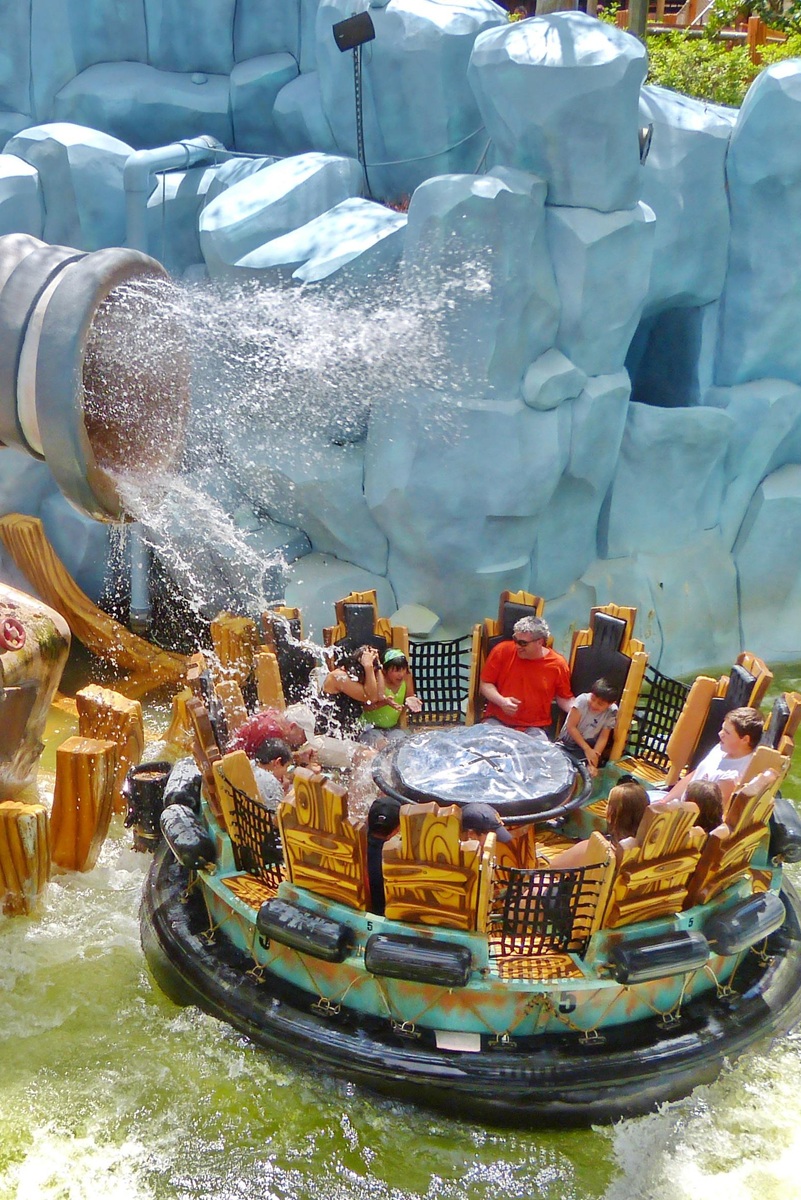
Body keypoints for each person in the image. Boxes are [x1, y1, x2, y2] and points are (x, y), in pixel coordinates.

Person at [479, 615, 574, 734]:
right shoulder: (502, 651)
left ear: (539, 642)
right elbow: (485, 684)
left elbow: (563, 697)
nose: (517, 646)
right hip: (497, 720)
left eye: (523, 643)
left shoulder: (558, 664)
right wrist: (501, 701)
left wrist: (583, 712)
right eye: (515, 640)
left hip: (534, 727)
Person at [659, 707, 764, 806]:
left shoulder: (733, 777)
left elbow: (709, 813)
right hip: (676, 804)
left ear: (745, 739)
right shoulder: (721, 748)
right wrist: (664, 802)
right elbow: (694, 775)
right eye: (722, 729)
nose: (720, 734)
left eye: (727, 732)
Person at [549, 779, 649, 868]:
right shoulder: (650, 850)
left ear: (610, 815)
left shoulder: (592, 848)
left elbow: (554, 866)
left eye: (608, 804)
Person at [359, 648, 423, 747]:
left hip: (393, 728)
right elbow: (365, 707)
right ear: (385, 670)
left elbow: (409, 697)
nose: (401, 674)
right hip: (370, 728)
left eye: (403, 669)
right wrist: (384, 703)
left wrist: (410, 701)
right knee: (383, 746)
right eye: (396, 670)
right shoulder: (377, 679)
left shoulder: (407, 677)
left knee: (403, 745)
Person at [557, 678, 619, 775]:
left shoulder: (612, 711)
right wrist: (587, 749)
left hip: (587, 747)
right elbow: (571, 726)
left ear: (611, 704)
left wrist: (594, 757)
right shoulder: (582, 701)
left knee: (589, 772)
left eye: (600, 704)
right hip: (566, 743)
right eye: (593, 699)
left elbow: (603, 736)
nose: (594, 705)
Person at [318, 644, 381, 738]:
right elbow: (371, 698)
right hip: (325, 737)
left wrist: (378, 666)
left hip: (346, 736)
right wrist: (369, 667)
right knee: (371, 753)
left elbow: (380, 695)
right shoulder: (338, 677)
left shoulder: (362, 681)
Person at [251, 737, 293, 810]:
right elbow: (278, 818)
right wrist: (284, 793)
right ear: (277, 762)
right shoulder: (271, 783)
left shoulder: (250, 765)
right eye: (286, 766)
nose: (285, 772)